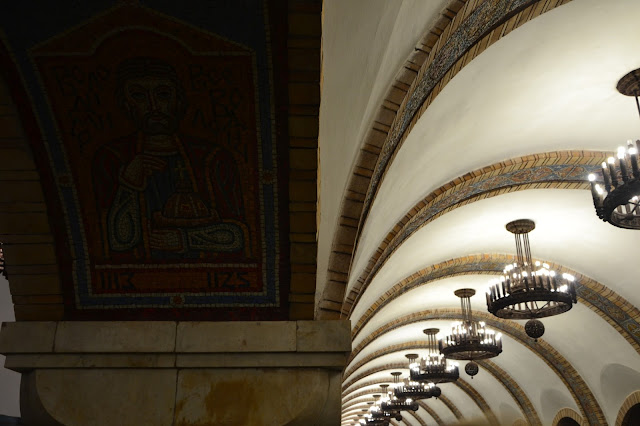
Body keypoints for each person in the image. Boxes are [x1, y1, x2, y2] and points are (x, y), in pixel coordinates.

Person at [93, 57, 247, 260]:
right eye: (139, 96)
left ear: (179, 99)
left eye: (163, 94)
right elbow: (119, 241)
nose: (153, 106)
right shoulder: (112, 158)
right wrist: (129, 184)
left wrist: (185, 240)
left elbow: (238, 235)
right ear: (126, 104)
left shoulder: (212, 158)